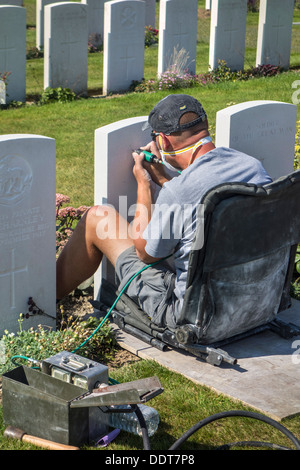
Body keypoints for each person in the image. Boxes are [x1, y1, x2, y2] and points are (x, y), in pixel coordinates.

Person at [56, 94, 272, 330]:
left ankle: (44, 304)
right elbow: (203, 191)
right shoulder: (252, 167)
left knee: (97, 218)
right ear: (205, 125)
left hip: (196, 315)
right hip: (257, 300)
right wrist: (165, 180)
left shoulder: (178, 193)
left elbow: (145, 254)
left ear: (163, 142)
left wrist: (145, 185)